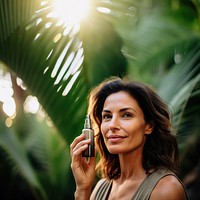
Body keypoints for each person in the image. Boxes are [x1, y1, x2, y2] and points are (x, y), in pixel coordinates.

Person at [70, 77, 189, 200]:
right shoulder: (101, 188)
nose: (112, 125)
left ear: (149, 126)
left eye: (126, 115)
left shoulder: (166, 190)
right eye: (107, 116)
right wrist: (82, 189)